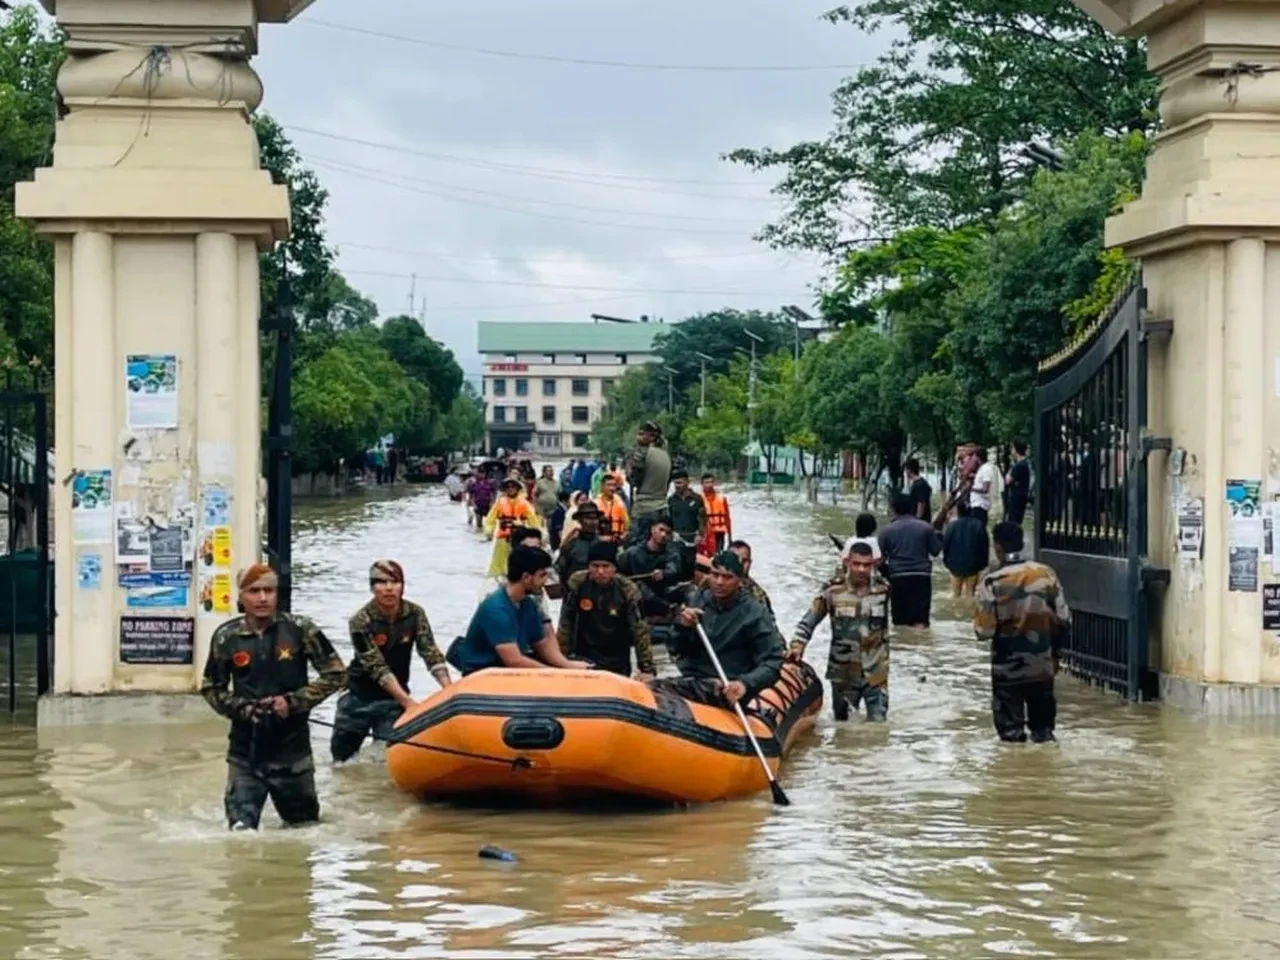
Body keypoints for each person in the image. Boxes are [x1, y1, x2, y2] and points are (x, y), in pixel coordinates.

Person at [200, 564, 346, 831]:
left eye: (269, 591)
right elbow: (211, 688)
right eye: (254, 591)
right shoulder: (226, 637)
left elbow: (336, 674)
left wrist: (292, 702)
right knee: (240, 834)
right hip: (245, 752)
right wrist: (241, 708)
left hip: (293, 752)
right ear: (241, 596)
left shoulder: (300, 629)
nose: (262, 598)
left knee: (304, 831)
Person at [330, 560, 451, 763]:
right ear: (372, 588)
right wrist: (409, 703)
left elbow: (430, 652)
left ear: (402, 586)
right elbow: (376, 667)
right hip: (358, 698)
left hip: (393, 702)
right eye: (381, 582)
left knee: (389, 760)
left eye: (394, 582)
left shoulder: (415, 614)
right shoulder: (360, 621)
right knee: (342, 762)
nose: (388, 588)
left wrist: (448, 690)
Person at [648, 551, 783, 708]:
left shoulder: (755, 613)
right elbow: (675, 648)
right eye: (715, 575)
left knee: (710, 687)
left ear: (739, 580)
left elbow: (772, 661)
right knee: (649, 685)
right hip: (692, 680)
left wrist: (745, 683)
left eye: (727, 577)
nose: (719, 582)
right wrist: (682, 626)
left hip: (727, 686)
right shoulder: (698, 599)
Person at [975, 522, 1071, 743]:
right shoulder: (1046, 574)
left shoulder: (991, 581)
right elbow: (1064, 618)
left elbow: (984, 631)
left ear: (997, 547)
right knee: (1044, 735)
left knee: (1011, 739)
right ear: (1021, 543)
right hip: (1042, 666)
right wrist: (1056, 655)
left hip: (1007, 670)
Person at [788, 542, 891, 721]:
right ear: (847, 563)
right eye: (856, 564)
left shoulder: (883, 589)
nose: (861, 569)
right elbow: (809, 621)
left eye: (866, 565)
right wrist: (797, 646)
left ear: (873, 564)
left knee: (879, 725)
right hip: (843, 673)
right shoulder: (832, 590)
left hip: (876, 672)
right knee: (842, 726)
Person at [449, 547, 593, 675]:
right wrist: (554, 674)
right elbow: (513, 660)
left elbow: (542, 643)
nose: (545, 581)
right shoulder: (496, 609)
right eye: (542, 575)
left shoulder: (527, 604)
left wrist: (568, 666)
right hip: (484, 672)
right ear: (526, 577)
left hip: (506, 669)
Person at [558, 541, 656, 679]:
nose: (600, 571)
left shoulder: (627, 589)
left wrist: (647, 668)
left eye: (605, 566)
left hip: (616, 657)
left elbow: (640, 630)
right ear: (588, 567)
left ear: (614, 568)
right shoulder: (577, 583)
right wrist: (561, 660)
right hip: (584, 656)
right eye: (595, 566)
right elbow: (565, 622)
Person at [879, 492, 942, 627]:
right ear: (912, 507)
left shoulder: (886, 531)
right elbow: (936, 551)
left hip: (897, 577)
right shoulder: (925, 528)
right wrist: (939, 533)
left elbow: (880, 559)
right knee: (920, 621)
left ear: (893, 509)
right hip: (921, 577)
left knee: (900, 622)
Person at [490, 526, 556, 643]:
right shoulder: (495, 592)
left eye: (537, 549)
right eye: (528, 550)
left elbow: (546, 627)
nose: (534, 554)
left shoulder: (534, 593)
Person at [618, 516, 682, 617]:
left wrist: (663, 573)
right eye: (661, 530)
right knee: (638, 586)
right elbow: (618, 573)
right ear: (652, 529)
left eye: (668, 533)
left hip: (660, 592)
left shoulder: (671, 554)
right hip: (634, 597)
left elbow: (673, 569)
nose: (663, 535)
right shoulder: (632, 553)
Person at [626, 420, 673, 545]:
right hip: (663, 507)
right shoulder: (666, 455)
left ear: (651, 437)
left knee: (637, 545)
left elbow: (633, 478)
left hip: (644, 509)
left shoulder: (641, 453)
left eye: (642, 434)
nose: (639, 437)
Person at [483, 477, 540, 576]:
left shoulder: (525, 504)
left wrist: (537, 535)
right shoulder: (499, 503)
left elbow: (533, 521)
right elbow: (490, 519)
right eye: (508, 487)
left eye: (513, 487)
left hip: (520, 538)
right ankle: (498, 577)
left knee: (519, 563)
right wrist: (489, 530)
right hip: (503, 538)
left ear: (518, 489)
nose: (510, 489)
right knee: (499, 564)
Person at [942, 501, 990, 598]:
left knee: (956, 595)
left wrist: (947, 562)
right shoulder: (979, 525)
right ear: (971, 511)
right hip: (973, 566)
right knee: (970, 594)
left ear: (958, 511)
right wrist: (983, 564)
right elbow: (985, 546)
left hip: (956, 566)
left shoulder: (951, 526)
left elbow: (945, 546)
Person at [667, 469, 708, 580]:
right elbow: (668, 520)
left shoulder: (697, 499)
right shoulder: (671, 500)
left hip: (692, 539)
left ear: (687, 482)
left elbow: (703, 519)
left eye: (679, 483)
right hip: (676, 539)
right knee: (676, 563)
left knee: (690, 564)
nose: (677, 486)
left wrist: (700, 534)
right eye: (675, 483)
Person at [727, 540, 775, 620]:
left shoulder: (757, 595)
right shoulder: (713, 583)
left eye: (744, 561)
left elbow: (768, 622)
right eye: (735, 559)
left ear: (749, 563)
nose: (740, 564)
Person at [699, 473, 732, 556]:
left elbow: (727, 518)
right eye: (706, 482)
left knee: (718, 555)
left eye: (711, 482)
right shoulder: (698, 499)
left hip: (719, 532)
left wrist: (730, 538)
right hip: (705, 533)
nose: (709, 485)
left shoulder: (721, 498)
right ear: (702, 484)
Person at [968, 447, 1001, 526]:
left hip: (980, 504)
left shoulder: (986, 469)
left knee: (978, 526)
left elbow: (985, 489)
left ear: (977, 457)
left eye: (974, 457)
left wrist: (971, 488)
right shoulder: (982, 468)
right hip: (977, 503)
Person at [595, 474, 630, 544]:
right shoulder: (595, 504)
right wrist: (601, 538)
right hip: (600, 541)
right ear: (602, 487)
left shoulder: (620, 503)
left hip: (617, 541)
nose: (612, 488)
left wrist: (623, 536)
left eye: (614, 485)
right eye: (609, 485)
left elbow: (627, 525)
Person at [1004, 442, 1032, 526]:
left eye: (1013, 448)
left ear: (1016, 450)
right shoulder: (1025, 463)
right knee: (1018, 518)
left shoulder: (1019, 465)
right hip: (1022, 494)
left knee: (1013, 519)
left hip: (1016, 495)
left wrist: (1008, 474)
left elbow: (1008, 481)